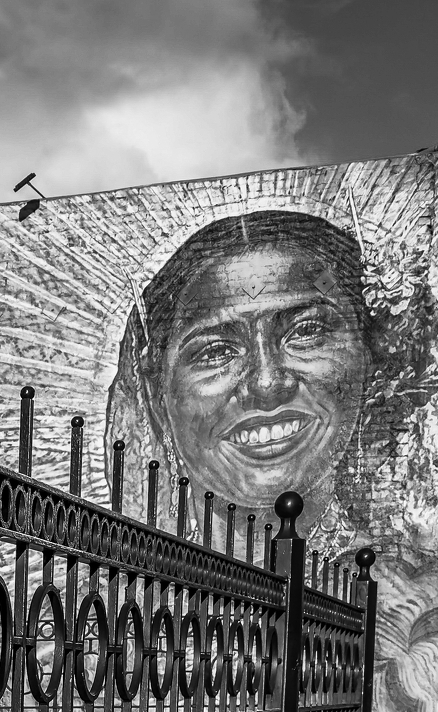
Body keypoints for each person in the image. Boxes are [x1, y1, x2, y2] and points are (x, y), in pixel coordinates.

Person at [105, 210, 370, 529]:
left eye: (305, 331)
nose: (267, 382)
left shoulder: (396, 579)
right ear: (155, 393)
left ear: (367, 353)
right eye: (216, 351)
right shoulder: (122, 581)